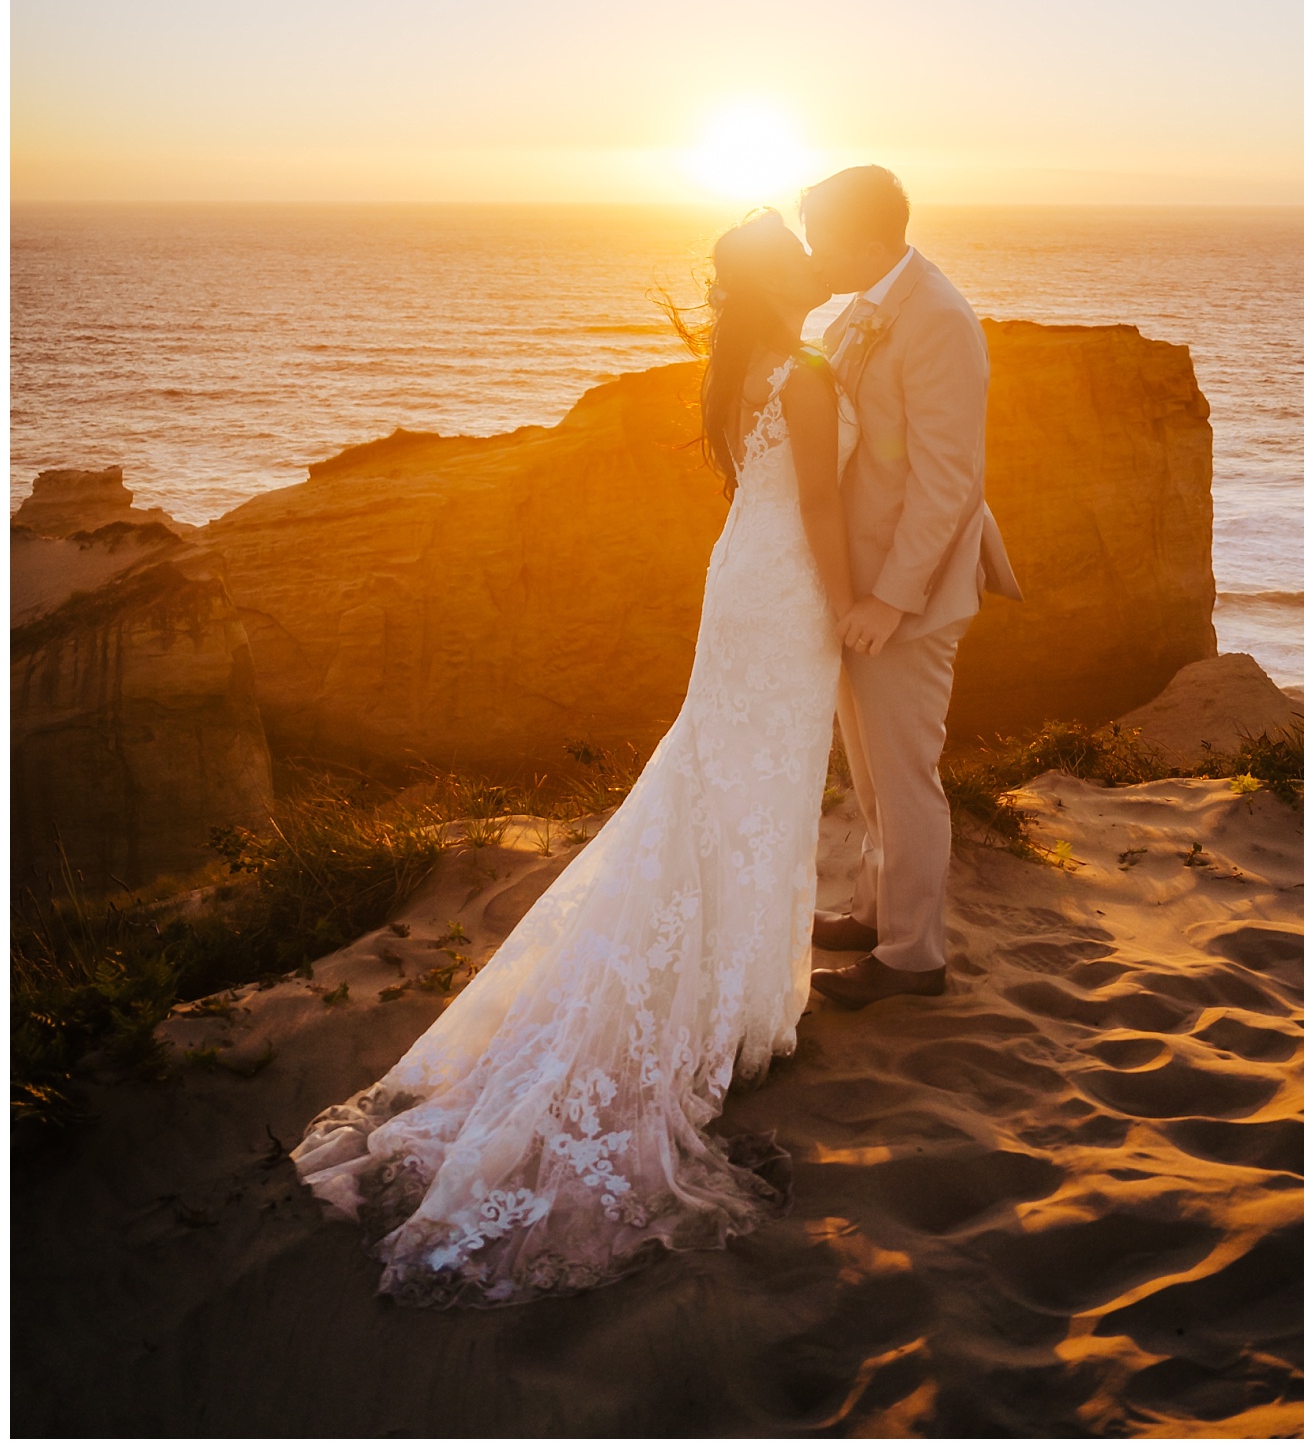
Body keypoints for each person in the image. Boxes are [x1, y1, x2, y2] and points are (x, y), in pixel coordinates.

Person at [291, 209, 856, 1305]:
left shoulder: (736, 366)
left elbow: (768, 488)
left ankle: (730, 990)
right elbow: (826, 502)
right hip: (786, 592)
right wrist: (854, 606)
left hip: (739, 576)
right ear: (790, 273)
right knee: (762, 783)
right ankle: (737, 1006)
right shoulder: (808, 372)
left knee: (720, 777)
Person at [800, 166, 1021, 1011]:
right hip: (860, 586)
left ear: (865, 236)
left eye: (823, 235)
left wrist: (891, 597)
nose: (817, 252)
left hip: (909, 595)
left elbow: (948, 481)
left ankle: (913, 956)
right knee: (871, 770)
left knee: (906, 775)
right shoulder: (868, 304)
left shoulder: (937, 320)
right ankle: (873, 911)